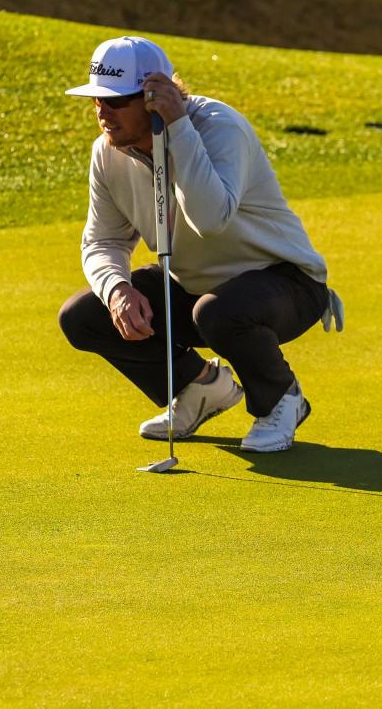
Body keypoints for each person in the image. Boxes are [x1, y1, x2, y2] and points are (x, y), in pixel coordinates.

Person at [58, 36, 342, 452]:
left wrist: (176, 130)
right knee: (83, 315)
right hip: (195, 286)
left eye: (116, 101)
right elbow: (103, 240)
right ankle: (198, 387)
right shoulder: (107, 154)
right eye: (97, 101)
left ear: (155, 96)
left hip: (285, 283)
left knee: (217, 311)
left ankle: (281, 397)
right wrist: (117, 291)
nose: (102, 112)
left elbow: (211, 219)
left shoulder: (219, 128)